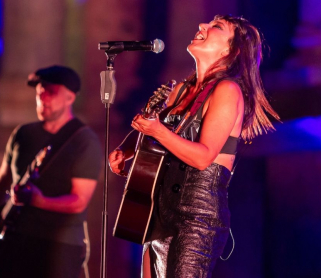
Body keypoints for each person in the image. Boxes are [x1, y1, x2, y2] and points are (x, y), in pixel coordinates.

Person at [108, 15, 280, 277]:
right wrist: (126, 150)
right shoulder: (177, 91)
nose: (202, 26)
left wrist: (157, 130)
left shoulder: (227, 90)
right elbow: (154, 130)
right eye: (207, 23)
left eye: (216, 27)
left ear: (230, 50)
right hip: (157, 212)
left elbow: (203, 158)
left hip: (195, 218)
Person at [0, 65, 102, 278]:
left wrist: (39, 201)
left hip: (57, 245)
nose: (42, 98)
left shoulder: (84, 141)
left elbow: (80, 199)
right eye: (39, 92)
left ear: (70, 98)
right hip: (13, 238)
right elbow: (2, 179)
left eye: (50, 92)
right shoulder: (23, 133)